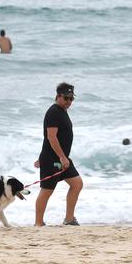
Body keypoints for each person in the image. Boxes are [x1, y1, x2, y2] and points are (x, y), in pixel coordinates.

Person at [34, 83, 83, 226]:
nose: (69, 102)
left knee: (77, 184)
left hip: (62, 159)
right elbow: (51, 137)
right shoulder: (54, 112)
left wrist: (61, 157)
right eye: (66, 98)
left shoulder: (61, 110)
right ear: (58, 96)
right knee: (47, 190)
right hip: (54, 159)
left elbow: (52, 137)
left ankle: (69, 219)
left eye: (71, 99)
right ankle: (38, 223)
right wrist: (60, 157)